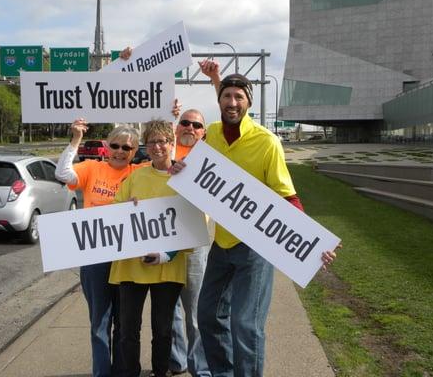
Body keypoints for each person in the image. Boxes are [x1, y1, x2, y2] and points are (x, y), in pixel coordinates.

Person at [172, 60, 339, 377]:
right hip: (221, 245)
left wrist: (311, 241)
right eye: (227, 97)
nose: (232, 102)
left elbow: (287, 196)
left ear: (249, 102)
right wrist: (182, 168)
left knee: (246, 326)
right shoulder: (213, 136)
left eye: (239, 97)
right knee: (207, 315)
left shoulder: (267, 142)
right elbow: (176, 145)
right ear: (219, 101)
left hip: (255, 248)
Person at [55, 121, 145, 377]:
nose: (119, 151)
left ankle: (120, 371)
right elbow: (63, 174)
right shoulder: (93, 168)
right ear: (106, 146)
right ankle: (102, 372)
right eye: (114, 145)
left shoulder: (140, 171)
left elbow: (169, 161)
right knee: (100, 323)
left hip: (126, 258)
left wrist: (171, 124)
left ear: (134, 150)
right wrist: (75, 139)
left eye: (126, 148)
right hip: (95, 257)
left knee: (124, 323)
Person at [109, 119, 189, 377]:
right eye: (152, 141)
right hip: (132, 266)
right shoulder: (136, 176)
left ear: (171, 143)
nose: (157, 146)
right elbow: (113, 215)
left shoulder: (184, 177)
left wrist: (167, 254)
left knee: (163, 330)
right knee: (128, 329)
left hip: (168, 266)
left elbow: (193, 222)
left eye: (162, 141)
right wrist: (125, 209)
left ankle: (160, 372)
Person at [169, 110, 212, 377]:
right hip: (163, 238)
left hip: (195, 241)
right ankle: (177, 362)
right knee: (170, 309)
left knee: (195, 311)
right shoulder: (165, 152)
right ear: (176, 127)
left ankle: (201, 368)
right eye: (185, 122)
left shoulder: (209, 158)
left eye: (197, 125)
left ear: (203, 132)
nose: (190, 127)